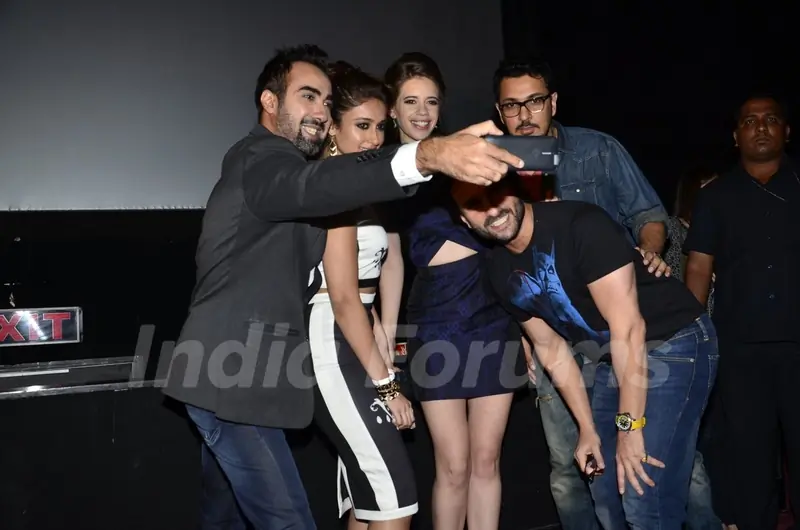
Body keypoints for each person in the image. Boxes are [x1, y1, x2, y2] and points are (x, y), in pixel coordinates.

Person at [159, 44, 524, 530]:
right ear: (270, 101)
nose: (319, 110)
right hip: (232, 378)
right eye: (306, 96)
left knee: (223, 518)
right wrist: (430, 153)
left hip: (249, 377)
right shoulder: (261, 159)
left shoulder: (292, 170)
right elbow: (317, 191)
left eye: (326, 101)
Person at [451, 178, 718, 530]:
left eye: (494, 194)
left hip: (673, 340)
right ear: (464, 221)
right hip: (610, 356)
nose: (491, 209)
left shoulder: (580, 225)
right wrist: (587, 428)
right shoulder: (499, 270)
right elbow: (551, 349)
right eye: (474, 204)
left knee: (641, 492)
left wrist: (628, 427)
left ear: (515, 189)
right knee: (605, 490)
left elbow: (630, 329)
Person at [492, 57, 670, 530]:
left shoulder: (598, 150)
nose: (524, 115)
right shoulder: (496, 167)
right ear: (500, 111)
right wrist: (527, 334)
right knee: (569, 471)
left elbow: (651, 217)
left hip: (620, 328)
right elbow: (507, 263)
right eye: (512, 105)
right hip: (557, 337)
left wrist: (648, 253)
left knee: (657, 458)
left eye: (533, 101)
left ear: (552, 102)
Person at [385, 52, 524, 530]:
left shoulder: (468, 154)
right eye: (410, 102)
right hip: (438, 325)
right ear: (392, 109)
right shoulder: (383, 169)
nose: (422, 112)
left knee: (487, 462)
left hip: (492, 317)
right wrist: (386, 335)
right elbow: (389, 262)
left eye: (431, 101)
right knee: (453, 465)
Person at [308, 61, 416, 530]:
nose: (375, 139)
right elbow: (344, 299)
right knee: (394, 503)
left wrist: (383, 357)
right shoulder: (334, 186)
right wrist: (388, 386)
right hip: (331, 339)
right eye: (362, 126)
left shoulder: (357, 187)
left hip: (351, 337)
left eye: (380, 127)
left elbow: (365, 294)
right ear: (333, 128)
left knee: (368, 503)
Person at [684, 93, 800, 530]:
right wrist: (689, 333)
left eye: (771, 118)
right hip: (740, 351)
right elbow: (698, 266)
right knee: (750, 460)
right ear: (737, 136)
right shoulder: (715, 197)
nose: (762, 126)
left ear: (786, 130)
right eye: (750, 121)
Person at [664, 167, 722, 530]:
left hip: (726, 343)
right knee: (688, 444)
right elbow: (670, 289)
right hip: (682, 347)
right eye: (706, 190)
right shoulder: (673, 232)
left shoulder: (728, 230)